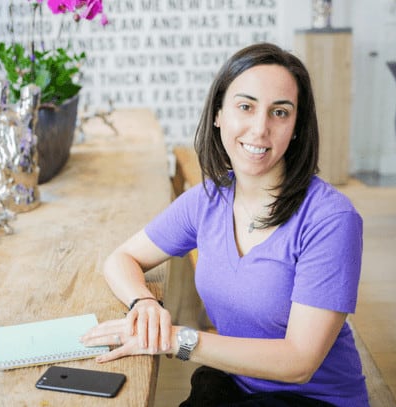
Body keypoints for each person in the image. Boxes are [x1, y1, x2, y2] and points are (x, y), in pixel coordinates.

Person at [81, 42, 368, 407]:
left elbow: (299, 363)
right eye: (245, 106)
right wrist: (143, 304)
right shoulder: (209, 200)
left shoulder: (331, 220)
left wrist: (176, 339)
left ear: (296, 127)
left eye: (280, 112)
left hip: (313, 399)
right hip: (238, 386)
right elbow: (122, 258)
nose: (260, 128)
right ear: (219, 114)